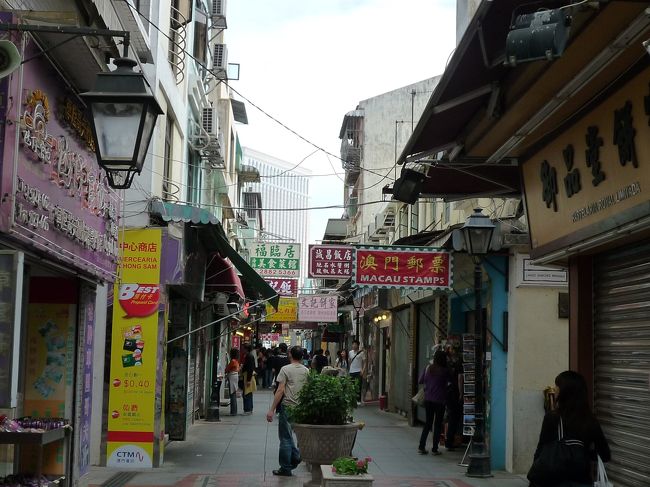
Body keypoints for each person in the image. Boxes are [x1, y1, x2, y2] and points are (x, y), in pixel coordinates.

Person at [530, 370, 610, 486]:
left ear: (565, 391)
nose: (555, 389)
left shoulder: (552, 418)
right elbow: (605, 455)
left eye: (557, 386)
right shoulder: (590, 420)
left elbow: (541, 450)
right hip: (581, 480)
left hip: (553, 480)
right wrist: (581, 452)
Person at [266, 346, 309, 477]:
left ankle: (286, 466)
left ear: (290, 355)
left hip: (288, 406)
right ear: (302, 357)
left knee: (285, 437)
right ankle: (295, 456)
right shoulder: (306, 371)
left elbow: (280, 390)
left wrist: (272, 409)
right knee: (290, 436)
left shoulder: (285, 369)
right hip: (301, 407)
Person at [418, 350, 451, 455]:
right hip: (440, 400)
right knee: (437, 424)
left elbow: (420, 380)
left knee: (428, 423)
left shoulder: (428, 368)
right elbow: (450, 383)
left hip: (428, 399)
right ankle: (435, 449)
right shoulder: (445, 371)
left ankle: (421, 446)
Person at [445, 345, 463, 451]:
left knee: (451, 417)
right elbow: (460, 378)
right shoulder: (458, 363)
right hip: (455, 393)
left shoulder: (447, 364)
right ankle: (450, 441)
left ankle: (449, 440)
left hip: (448, 393)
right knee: (454, 418)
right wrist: (461, 393)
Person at [241, 344, 256, 415]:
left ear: (246, 349)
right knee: (248, 393)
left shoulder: (249, 356)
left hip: (248, 377)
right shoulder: (249, 356)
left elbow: (250, 369)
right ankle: (249, 409)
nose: (242, 350)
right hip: (248, 376)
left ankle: (248, 409)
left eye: (243, 348)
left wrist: (248, 380)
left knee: (247, 393)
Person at [225, 348, 240, 416]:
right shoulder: (236, 361)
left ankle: (233, 411)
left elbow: (227, 369)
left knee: (232, 394)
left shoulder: (233, 361)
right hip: (235, 377)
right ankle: (234, 411)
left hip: (232, 377)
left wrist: (226, 370)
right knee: (233, 393)